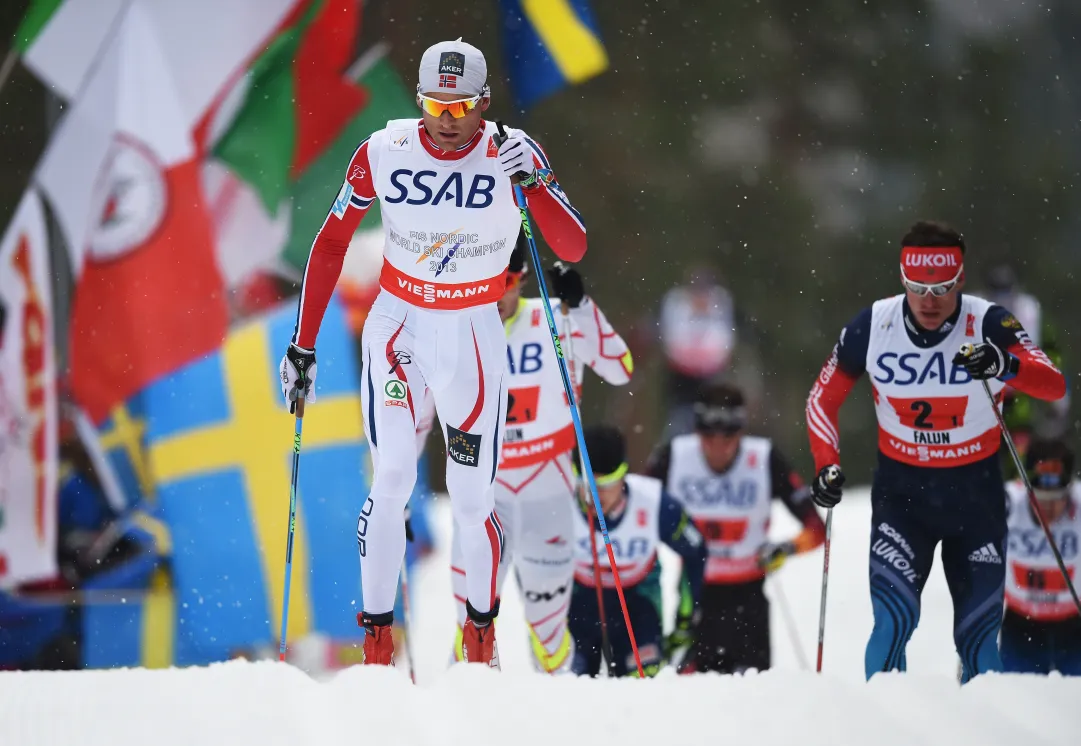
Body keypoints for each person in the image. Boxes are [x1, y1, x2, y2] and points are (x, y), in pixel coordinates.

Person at [278, 39, 587, 668]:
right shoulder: (384, 151)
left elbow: (573, 247)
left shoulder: (510, 152)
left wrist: (541, 181)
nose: (447, 122)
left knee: (474, 499)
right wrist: (303, 343)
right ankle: (377, 640)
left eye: (461, 107)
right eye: (435, 106)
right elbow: (332, 241)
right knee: (391, 478)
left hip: (473, 331)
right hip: (400, 327)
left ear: (484, 104)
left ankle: (479, 633)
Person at [805, 220, 1066, 682]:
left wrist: (1004, 363)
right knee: (891, 623)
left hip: (976, 497)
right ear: (902, 278)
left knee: (980, 640)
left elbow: (1051, 382)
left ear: (961, 280)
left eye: (942, 288)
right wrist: (827, 467)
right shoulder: (873, 324)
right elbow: (822, 400)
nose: (929, 300)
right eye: (917, 287)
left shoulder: (988, 320)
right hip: (904, 498)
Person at [646, 381, 826, 673]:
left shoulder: (765, 458)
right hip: (694, 597)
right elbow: (634, 510)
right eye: (709, 436)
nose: (718, 446)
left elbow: (816, 530)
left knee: (751, 695)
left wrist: (786, 548)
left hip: (748, 599)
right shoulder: (674, 456)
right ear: (696, 431)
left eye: (728, 437)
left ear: (741, 431)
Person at [568, 424, 707, 677]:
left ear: (623, 474)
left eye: (607, 483)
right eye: (587, 483)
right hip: (578, 605)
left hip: (635, 605)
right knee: (568, 681)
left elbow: (696, 550)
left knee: (643, 681)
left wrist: (685, 619)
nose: (595, 496)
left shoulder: (655, 502)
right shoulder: (558, 501)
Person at [1001, 437, 1081, 675]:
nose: (1048, 507)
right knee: (1016, 704)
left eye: (1057, 499)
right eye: (1039, 498)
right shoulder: (1007, 503)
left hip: (1073, 628)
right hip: (1020, 627)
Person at [981, 264, 1070, 472]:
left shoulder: (1030, 311)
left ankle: (1018, 490)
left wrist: (1058, 396)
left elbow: (1050, 352)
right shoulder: (974, 309)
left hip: (1020, 402)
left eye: (1006, 290)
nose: (1002, 298)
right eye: (997, 291)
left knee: (1020, 458)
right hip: (982, 402)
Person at [656, 265, 737, 437]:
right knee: (679, 424)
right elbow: (672, 341)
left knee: (713, 423)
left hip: (711, 378)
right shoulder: (677, 305)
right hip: (682, 379)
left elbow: (724, 343)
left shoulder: (720, 304)